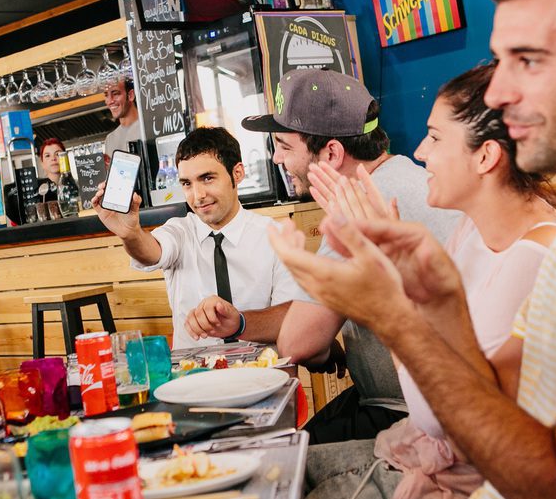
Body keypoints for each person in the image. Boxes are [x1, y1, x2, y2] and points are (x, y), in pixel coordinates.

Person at [267, 0, 556, 499]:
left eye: (527, 60)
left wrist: (396, 313)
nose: (499, 92)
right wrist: (433, 295)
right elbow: (492, 398)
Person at [298, 61, 556, 499]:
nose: (419, 153)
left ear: (485, 157)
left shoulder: (535, 257)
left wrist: (389, 293)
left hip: (477, 489)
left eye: (435, 138)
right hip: (423, 443)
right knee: (280, 476)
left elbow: (440, 418)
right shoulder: (472, 227)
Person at [186, 69, 460, 442]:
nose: (277, 158)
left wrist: (317, 336)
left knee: (281, 456)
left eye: (284, 145)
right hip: (410, 402)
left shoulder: (362, 204)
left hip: (419, 418)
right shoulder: (400, 177)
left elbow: (299, 344)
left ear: (331, 152)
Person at [91, 126, 304, 350]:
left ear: (237, 173)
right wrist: (130, 234)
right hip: (191, 375)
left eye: (207, 178)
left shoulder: (275, 236)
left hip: (261, 372)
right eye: (187, 184)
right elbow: (151, 253)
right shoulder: (180, 231)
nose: (198, 196)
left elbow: (291, 316)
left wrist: (238, 322)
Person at [103, 79, 141, 160]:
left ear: (130, 95)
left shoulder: (148, 128)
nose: (110, 101)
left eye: (115, 94)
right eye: (106, 95)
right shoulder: (110, 139)